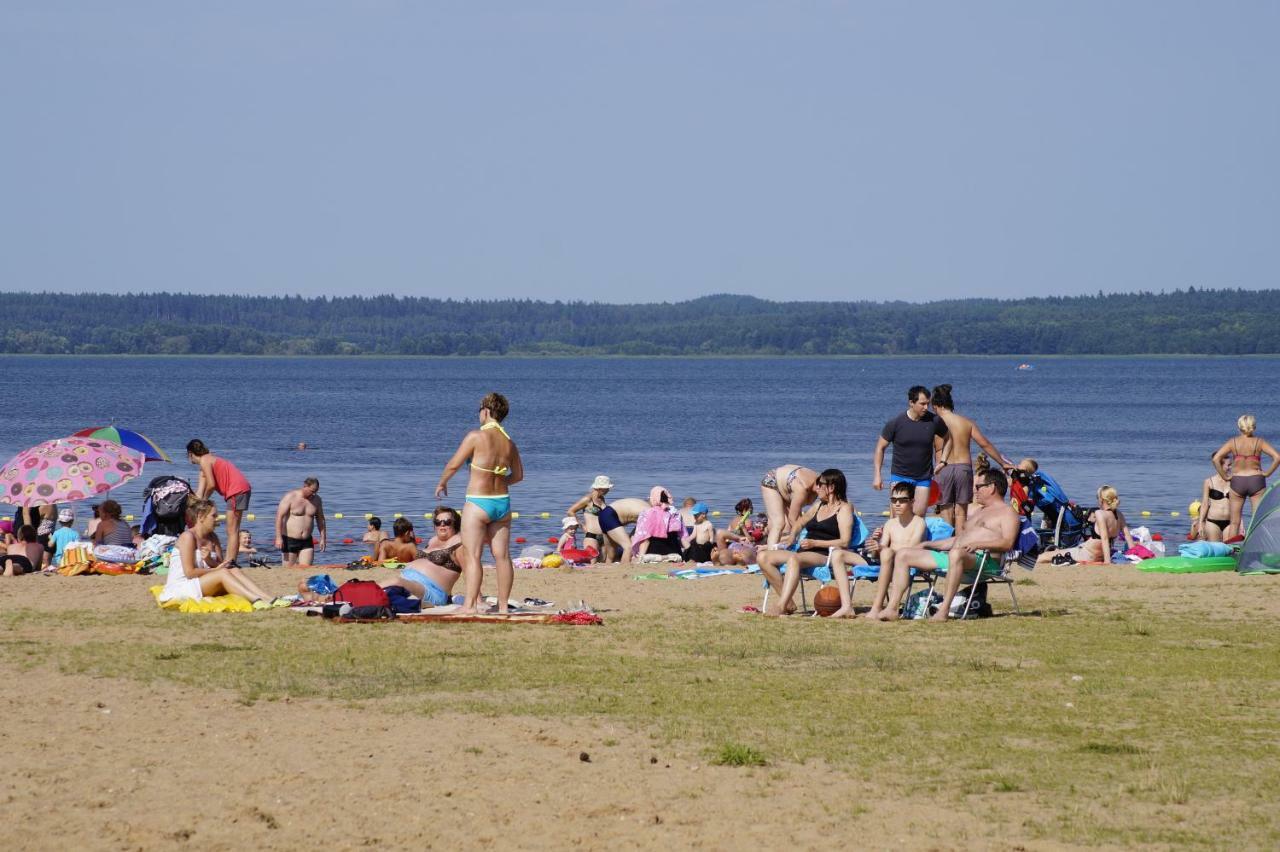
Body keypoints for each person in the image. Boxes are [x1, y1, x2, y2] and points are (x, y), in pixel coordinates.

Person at [887, 469, 1020, 622]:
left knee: (956, 553)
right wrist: (927, 544)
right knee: (904, 554)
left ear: (992, 487)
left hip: (986, 563)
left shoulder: (1007, 512)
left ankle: (943, 610)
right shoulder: (978, 511)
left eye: (978, 487)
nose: (974, 491)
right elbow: (958, 540)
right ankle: (892, 608)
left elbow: (1007, 543)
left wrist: (978, 544)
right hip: (957, 557)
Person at [435, 392, 523, 614]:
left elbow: (454, 464)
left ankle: (469, 606)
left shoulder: (476, 436)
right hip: (502, 502)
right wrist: (499, 481)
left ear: (486, 411)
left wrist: (442, 482)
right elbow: (519, 476)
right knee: (502, 556)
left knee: (472, 555)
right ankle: (503, 607)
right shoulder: (509, 443)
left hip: (478, 501)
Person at [757, 469, 854, 616]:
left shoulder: (844, 509)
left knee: (794, 559)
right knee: (763, 557)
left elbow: (845, 541)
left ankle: (781, 605)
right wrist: (791, 537)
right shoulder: (819, 506)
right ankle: (789, 603)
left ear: (831, 488)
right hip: (804, 551)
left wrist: (815, 543)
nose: (816, 488)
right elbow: (799, 523)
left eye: (820, 485)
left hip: (825, 554)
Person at [930, 384, 1013, 537]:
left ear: (936, 406)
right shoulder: (966, 422)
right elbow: (984, 444)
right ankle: (961, 544)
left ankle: (947, 546)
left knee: (946, 510)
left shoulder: (933, 423)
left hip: (943, 469)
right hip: (963, 468)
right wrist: (1003, 463)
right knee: (961, 512)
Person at [158, 499, 276, 606]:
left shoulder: (213, 537)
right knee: (223, 573)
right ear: (200, 516)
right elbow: (189, 572)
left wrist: (209, 560)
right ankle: (256, 600)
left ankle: (268, 598)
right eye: (213, 516)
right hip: (183, 586)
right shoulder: (188, 537)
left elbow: (221, 565)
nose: (217, 519)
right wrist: (215, 570)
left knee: (233, 570)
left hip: (202, 582)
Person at [850, 482, 928, 620]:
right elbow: (877, 556)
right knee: (885, 552)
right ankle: (878, 606)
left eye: (902, 500)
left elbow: (911, 549)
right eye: (893, 500)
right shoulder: (890, 524)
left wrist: (883, 548)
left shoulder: (919, 523)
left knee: (887, 552)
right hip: (888, 561)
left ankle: (877, 606)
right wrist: (876, 544)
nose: (897, 504)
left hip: (909, 562)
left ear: (912, 502)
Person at [873, 386, 949, 517]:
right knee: (897, 518)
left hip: (923, 478)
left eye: (928, 404)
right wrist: (877, 475)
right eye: (922, 404)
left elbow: (948, 438)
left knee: (918, 518)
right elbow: (880, 448)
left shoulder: (934, 421)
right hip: (899, 476)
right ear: (911, 403)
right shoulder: (896, 423)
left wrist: (943, 461)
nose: (926, 407)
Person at [1212, 414, 1279, 541]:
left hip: (1238, 481)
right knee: (1258, 521)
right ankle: (1258, 551)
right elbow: (1277, 457)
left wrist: (1225, 476)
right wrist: (1267, 473)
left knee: (1234, 522)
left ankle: (1231, 551)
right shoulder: (1259, 442)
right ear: (1254, 427)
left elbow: (1216, 459)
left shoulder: (1233, 442)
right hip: (1256, 481)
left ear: (1239, 427)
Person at [383, 506, 467, 607]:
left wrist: (476, 599)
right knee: (385, 593)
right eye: (437, 522)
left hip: (431, 590)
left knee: (395, 582)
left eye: (447, 521)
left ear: (455, 524)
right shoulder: (432, 541)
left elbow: (469, 570)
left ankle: (364, 592)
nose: (442, 524)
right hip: (409, 584)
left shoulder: (459, 542)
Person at [187, 439, 252, 569]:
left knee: (232, 530)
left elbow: (211, 484)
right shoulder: (208, 461)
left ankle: (230, 562)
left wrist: (204, 501)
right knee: (233, 529)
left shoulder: (205, 460)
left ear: (190, 453)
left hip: (236, 490)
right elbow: (202, 487)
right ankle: (229, 561)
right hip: (240, 489)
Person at [1035, 486, 1134, 567]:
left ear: (1102, 500)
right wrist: (1134, 555)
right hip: (1098, 554)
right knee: (1058, 552)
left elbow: (1104, 538)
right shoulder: (1119, 514)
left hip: (1087, 554)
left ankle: (1025, 563)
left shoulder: (1100, 514)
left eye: (1097, 498)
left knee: (1045, 556)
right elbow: (1127, 536)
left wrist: (1107, 561)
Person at [759, 464, 821, 546]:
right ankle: (771, 552)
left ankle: (788, 546)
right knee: (778, 523)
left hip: (787, 482)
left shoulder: (819, 480)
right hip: (772, 481)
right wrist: (805, 534)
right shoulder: (802, 490)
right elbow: (793, 518)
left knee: (792, 524)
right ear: (818, 487)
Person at [274, 477, 327, 567]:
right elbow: (279, 517)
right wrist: (278, 538)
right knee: (289, 571)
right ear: (305, 486)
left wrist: (323, 538)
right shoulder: (290, 496)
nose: (313, 494)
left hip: (307, 541)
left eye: (316, 491)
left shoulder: (317, 500)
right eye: (312, 491)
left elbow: (320, 519)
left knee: (306, 570)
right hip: (289, 540)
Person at [567, 476, 612, 561]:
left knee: (603, 562)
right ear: (599, 488)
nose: (608, 490)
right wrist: (582, 526)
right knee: (593, 561)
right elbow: (570, 511)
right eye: (607, 488)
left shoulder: (602, 499)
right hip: (591, 536)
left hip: (604, 536)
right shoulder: (587, 499)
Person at [597, 497, 648, 564]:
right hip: (611, 516)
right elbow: (645, 538)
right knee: (628, 547)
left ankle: (606, 569)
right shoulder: (651, 514)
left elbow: (636, 532)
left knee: (611, 553)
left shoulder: (645, 506)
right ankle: (624, 568)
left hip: (605, 514)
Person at [1190, 467, 1233, 542]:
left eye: (1231, 464)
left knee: (1230, 549)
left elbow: (1238, 504)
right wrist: (1201, 523)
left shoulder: (1235, 482)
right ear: (1219, 464)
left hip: (1230, 521)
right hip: (1213, 521)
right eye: (1228, 465)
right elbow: (1205, 504)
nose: (1230, 467)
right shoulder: (1209, 481)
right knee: (1215, 548)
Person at [714, 498, 761, 566]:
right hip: (745, 545)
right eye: (751, 507)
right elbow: (750, 538)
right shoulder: (748, 521)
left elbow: (728, 533)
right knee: (747, 555)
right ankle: (740, 562)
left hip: (733, 545)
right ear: (746, 509)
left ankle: (720, 559)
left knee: (726, 555)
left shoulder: (733, 520)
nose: (752, 509)